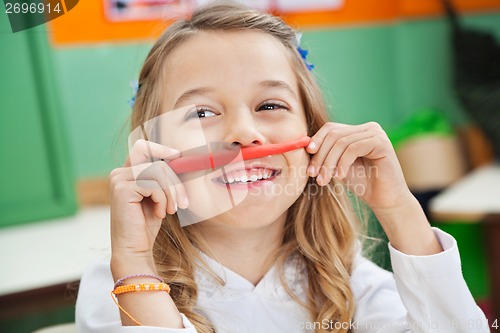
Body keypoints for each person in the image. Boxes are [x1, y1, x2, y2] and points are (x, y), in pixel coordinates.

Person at [76, 2, 489, 332]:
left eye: (270, 105)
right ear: (153, 148)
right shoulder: (118, 285)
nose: (244, 132)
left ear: (313, 137)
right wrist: (133, 261)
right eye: (201, 112)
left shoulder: (343, 276)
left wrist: (398, 208)